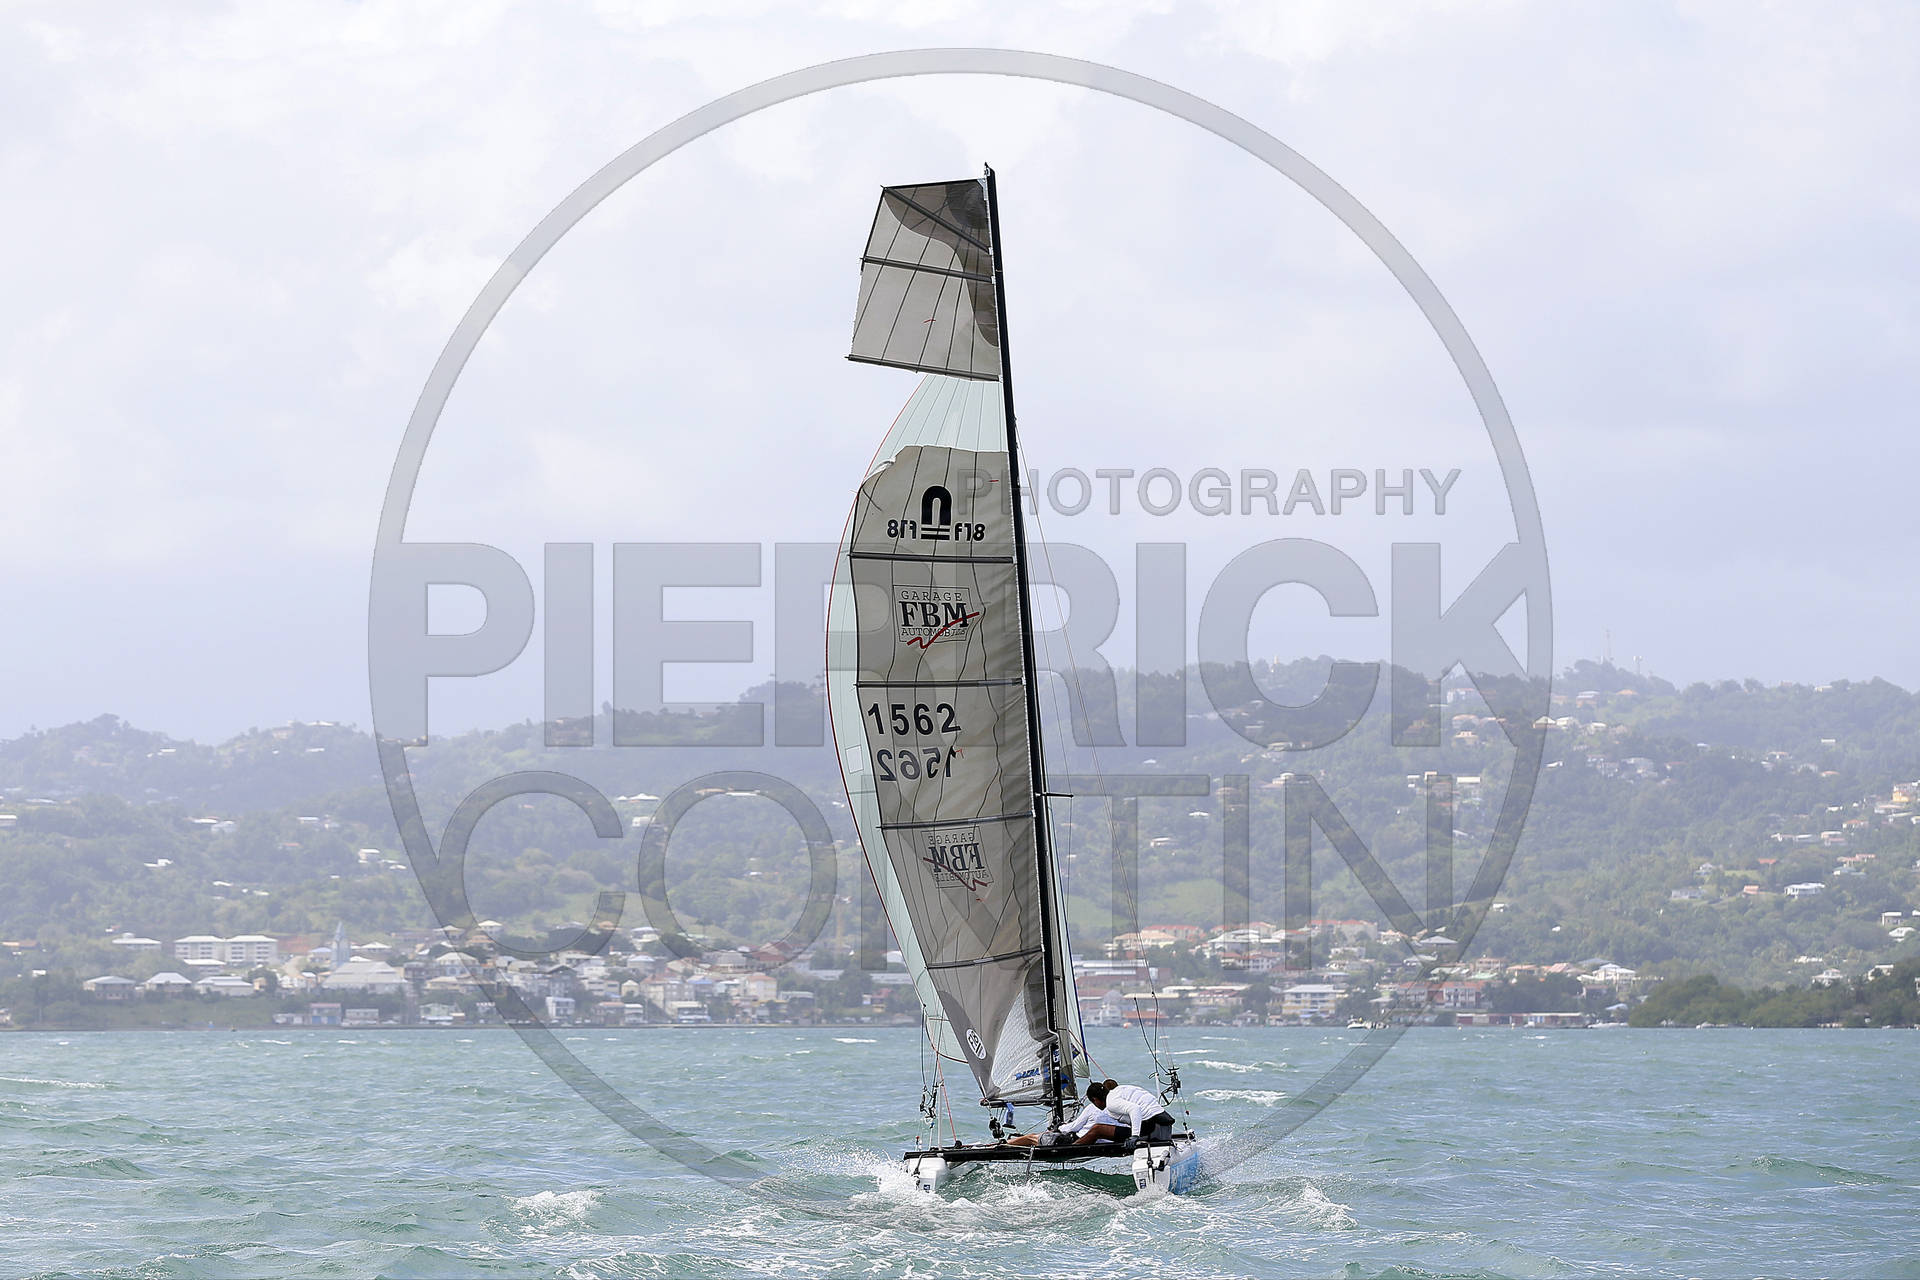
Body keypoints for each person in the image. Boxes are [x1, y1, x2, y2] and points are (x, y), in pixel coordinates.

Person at [1007, 1078, 1175, 1147]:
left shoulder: (1112, 1103)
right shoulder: (1122, 1091)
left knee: (1097, 1129)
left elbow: (1135, 1110)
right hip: (1164, 1126)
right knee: (1099, 1129)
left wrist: (1134, 1136)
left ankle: (1073, 1149)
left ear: (1095, 1099)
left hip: (1150, 1130)